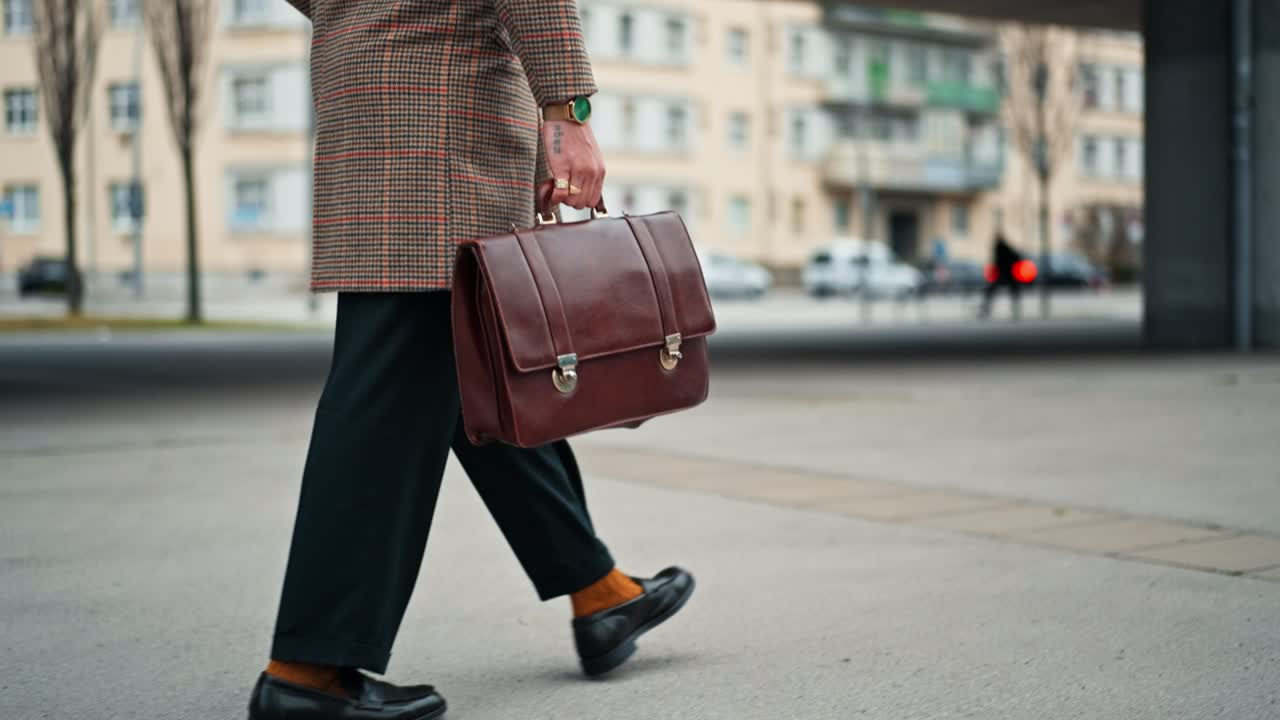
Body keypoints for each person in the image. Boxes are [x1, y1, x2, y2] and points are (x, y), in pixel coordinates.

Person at [247, 3, 695, 719]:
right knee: (391, 394)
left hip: (381, 94)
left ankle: (599, 592)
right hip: (441, 111)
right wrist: (567, 112)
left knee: (478, 378)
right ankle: (309, 671)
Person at [979, 233, 1024, 320]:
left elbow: (998, 262)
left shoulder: (1000, 248)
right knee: (1013, 291)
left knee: (992, 291)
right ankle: (1016, 310)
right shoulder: (1004, 248)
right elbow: (1016, 257)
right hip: (1008, 274)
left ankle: (986, 309)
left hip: (1005, 274)